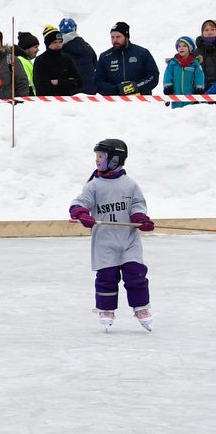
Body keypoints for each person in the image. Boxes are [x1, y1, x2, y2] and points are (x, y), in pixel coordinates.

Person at [70, 136, 154, 331]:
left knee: (136, 273)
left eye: (101, 156)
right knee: (107, 276)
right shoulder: (94, 185)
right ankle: (106, 309)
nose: (97, 160)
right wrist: (81, 213)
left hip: (128, 239)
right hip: (105, 241)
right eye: (97, 156)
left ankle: (141, 307)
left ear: (115, 159)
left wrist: (141, 218)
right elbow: (79, 203)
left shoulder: (130, 184)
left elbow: (137, 204)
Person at [94, 22, 157, 97]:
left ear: (126, 37)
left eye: (118, 37)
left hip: (141, 102)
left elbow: (153, 76)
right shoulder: (105, 57)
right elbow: (98, 81)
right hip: (114, 104)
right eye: (112, 37)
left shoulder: (142, 53)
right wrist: (116, 90)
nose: (115, 40)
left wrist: (135, 86)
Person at [30, 30, 83, 98]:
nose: (58, 45)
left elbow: (79, 82)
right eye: (54, 42)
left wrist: (58, 82)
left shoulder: (67, 59)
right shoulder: (40, 60)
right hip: (46, 102)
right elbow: (42, 86)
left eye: (60, 42)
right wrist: (68, 82)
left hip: (66, 101)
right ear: (48, 44)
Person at [57, 18, 99, 93]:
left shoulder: (61, 49)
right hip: (91, 91)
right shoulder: (87, 46)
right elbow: (95, 65)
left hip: (72, 92)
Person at [163, 37, 206, 109]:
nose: (181, 48)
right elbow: (167, 76)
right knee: (177, 116)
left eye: (184, 46)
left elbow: (199, 77)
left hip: (191, 98)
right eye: (179, 46)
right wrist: (168, 89)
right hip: (176, 98)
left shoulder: (195, 64)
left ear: (190, 48)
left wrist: (199, 89)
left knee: (190, 116)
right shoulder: (173, 63)